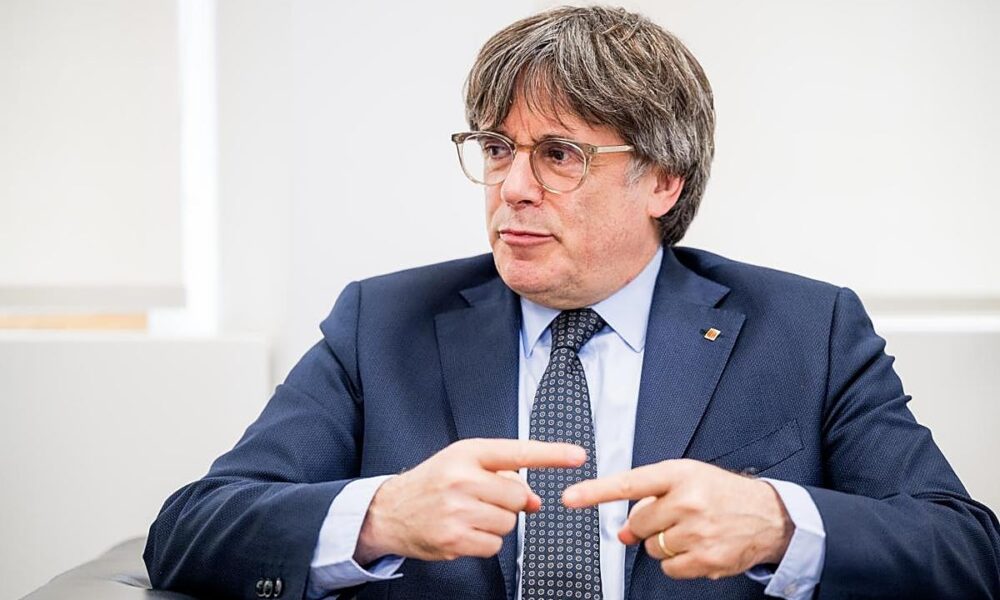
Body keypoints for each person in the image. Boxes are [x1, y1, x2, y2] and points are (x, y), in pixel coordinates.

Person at [144, 6, 1000, 600]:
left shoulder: (807, 331)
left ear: (663, 180)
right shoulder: (383, 324)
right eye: (496, 148)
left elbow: (965, 550)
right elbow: (190, 529)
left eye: (558, 155)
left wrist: (780, 525)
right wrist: (380, 516)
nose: (512, 187)